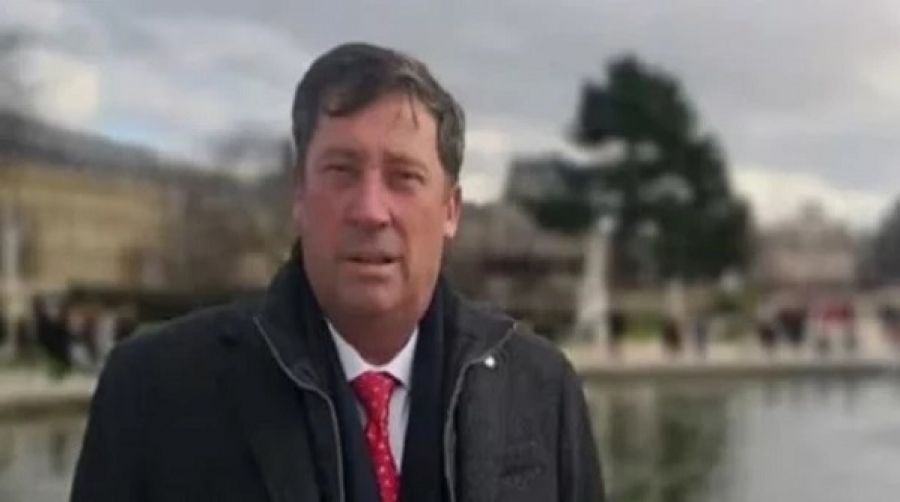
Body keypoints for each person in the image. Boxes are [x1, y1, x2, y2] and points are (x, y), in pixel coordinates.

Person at [71, 42, 605, 502]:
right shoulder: (156, 390)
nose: (370, 211)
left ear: (451, 210)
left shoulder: (541, 389)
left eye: (404, 177)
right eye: (341, 171)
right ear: (299, 194)